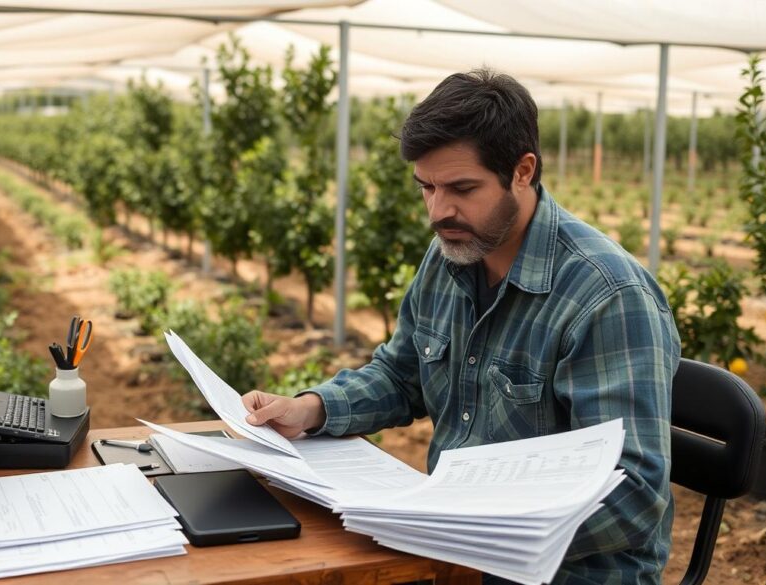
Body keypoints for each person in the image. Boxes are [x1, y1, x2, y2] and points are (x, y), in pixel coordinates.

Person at [242, 69, 681, 584]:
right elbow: (402, 373)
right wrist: (311, 408)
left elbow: (631, 494)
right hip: (453, 550)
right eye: (426, 187)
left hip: (560, 571)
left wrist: (472, 542)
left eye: (461, 187)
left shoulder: (606, 298)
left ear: (523, 170)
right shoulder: (452, 253)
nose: (437, 210)